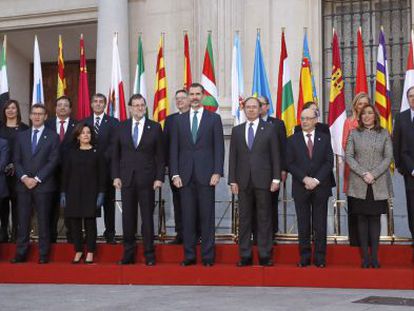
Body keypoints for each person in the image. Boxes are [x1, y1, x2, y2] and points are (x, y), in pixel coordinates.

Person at [170, 82, 224, 267]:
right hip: (184, 176)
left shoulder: (213, 119)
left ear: (203, 96)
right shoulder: (178, 120)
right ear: (187, 97)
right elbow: (174, 149)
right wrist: (175, 173)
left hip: (207, 175)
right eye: (191, 94)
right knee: (188, 217)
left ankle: (208, 257)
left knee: (207, 217)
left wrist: (217, 171)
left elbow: (219, 147)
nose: (194, 97)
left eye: (197, 94)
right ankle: (189, 255)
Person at [113, 94, 164, 266]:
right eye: (136, 105)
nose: (139, 108)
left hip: (148, 180)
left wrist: (159, 178)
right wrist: (116, 176)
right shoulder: (121, 127)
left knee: (147, 218)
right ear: (130, 108)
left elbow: (160, 156)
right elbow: (115, 155)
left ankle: (149, 254)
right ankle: (128, 253)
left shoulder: (155, 127)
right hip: (126, 179)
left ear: (145, 107)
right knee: (128, 218)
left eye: (142, 105)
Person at [229, 97, 281, 266]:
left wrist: (276, 178)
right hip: (243, 181)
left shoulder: (270, 129)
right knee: (244, 219)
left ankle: (265, 254)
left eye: (254, 107)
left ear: (260, 109)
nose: (251, 110)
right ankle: (245, 255)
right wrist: (232, 180)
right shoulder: (237, 130)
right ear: (244, 109)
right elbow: (233, 158)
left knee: (264, 218)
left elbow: (275, 155)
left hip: (264, 180)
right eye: (248, 107)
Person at [11, 104, 59, 264]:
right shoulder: (21, 136)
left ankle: (43, 255)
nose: (37, 116)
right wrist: (24, 177)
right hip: (23, 185)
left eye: (40, 114)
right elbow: (16, 160)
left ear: (46, 117)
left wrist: (37, 178)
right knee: (23, 220)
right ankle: (21, 253)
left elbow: (53, 161)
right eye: (34, 114)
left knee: (43, 221)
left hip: (43, 186)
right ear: (30, 116)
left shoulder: (53, 136)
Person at [346, 103, 393, 268]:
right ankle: (365, 257)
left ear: (375, 116)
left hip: (378, 183)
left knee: (375, 219)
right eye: (363, 113)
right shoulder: (353, 133)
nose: (366, 116)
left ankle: (375, 257)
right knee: (361, 219)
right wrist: (364, 173)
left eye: (369, 113)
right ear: (360, 117)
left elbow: (388, 157)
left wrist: (374, 174)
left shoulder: (384, 133)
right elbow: (349, 156)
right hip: (359, 183)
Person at [286, 107, 334, 268]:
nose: (304, 121)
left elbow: (329, 162)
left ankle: (320, 258)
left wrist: (316, 179)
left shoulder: (324, 138)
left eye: (308, 118)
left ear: (315, 120)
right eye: (302, 118)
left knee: (320, 224)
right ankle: (304, 257)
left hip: (321, 187)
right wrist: (305, 178)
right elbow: (289, 162)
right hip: (301, 187)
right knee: (303, 224)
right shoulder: (293, 139)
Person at [61, 123, 105, 264]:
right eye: (83, 133)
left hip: (91, 192)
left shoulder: (97, 152)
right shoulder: (71, 153)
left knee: (90, 223)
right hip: (73, 192)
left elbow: (102, 175)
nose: (86, 135)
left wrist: (101, 193)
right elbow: (65, 174)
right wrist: (63, 193)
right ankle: (78, 250)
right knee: (75, 223)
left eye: (88, 132)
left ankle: (90, 252)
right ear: (78, 136)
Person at [84, 93, 119, 244]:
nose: (98, 104)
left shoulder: (113, 122)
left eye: (101, 102)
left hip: (107, 169)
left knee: (109, 204)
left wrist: (100, 158)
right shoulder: (84, 122)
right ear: (91, 104)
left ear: (105, 105)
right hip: (88, 171)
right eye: (95, 101)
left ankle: (110, 233)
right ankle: (90, 233)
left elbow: (115, 145)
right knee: (89, 203)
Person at [45, 95, 77, 243]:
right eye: (60, 105)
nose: (62, 107)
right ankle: (51, 238)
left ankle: (72, 238)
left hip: (71, 174)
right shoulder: (47, 124)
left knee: (71, 207)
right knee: (51, 206)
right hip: (50, 174)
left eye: (65, 105)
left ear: (70, 109)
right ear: (55, 108)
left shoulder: (78, 125)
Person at [342, 92, 370, 246]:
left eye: (365, 103)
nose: (363, 106)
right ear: (355, 106)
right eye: (360, 104)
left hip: (372, 171)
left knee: (370, 207)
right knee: (355, 206)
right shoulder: (349, 123)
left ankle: (369, 240)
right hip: (353, 170)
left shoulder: (374, 122)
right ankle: (355, 241)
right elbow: (345, 145)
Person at [164, 89, 190, 245]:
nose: (179, 101)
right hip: (176, 169)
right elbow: (166, 144)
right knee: (178, 202)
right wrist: (168, 166)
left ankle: (195, 233)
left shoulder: (196, 118)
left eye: (182, 98)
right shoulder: (171, 120)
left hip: (194, 169)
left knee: (194, 203)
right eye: (177, 98)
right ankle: (180, 233)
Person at [0, 100, 29, 242]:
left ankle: (16, 235)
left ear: (18, 110)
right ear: (4, 111)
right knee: (3, 204)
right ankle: (3, 232)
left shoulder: (25, 129)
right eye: (7, 108)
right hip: (2, 175)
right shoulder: (0, 128)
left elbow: (28, 151)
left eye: (13, 108)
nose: (10, 111)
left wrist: (15, 166)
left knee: (18, 205)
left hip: (19, 174)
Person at [258, 96, 287, 236]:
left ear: (268, 106)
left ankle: (272, 233)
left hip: (272, 172)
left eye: (261, 104)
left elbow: (283, 148)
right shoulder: (249, 124)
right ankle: (256, 233)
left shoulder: (277, 124)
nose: (258, 107)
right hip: (254, 172)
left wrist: (283, 169)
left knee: (271, 203)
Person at [393, 86, 414, 243]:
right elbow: (397, 145)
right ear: (407, 99)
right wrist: (404, 168)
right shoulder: (401, 118)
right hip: (410, 173)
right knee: (412, 210)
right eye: (411, 96)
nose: (413, 98)